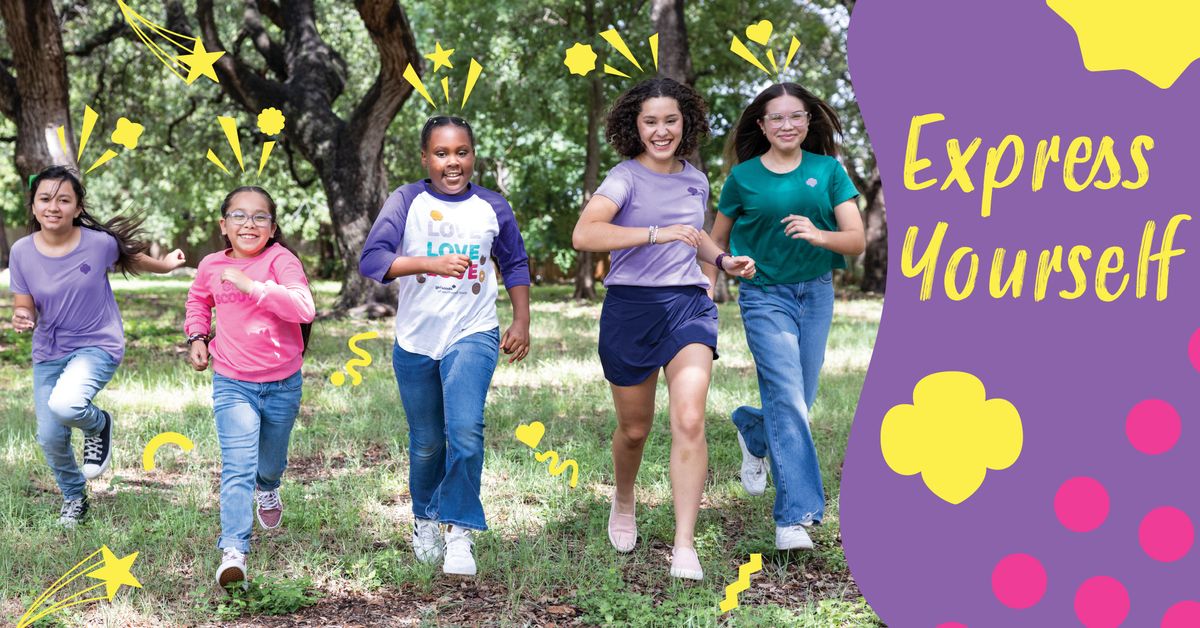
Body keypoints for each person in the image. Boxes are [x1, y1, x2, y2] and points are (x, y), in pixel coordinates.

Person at [571, 78, 755, 581]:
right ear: (635, 125)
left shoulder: (696, 179)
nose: (661, 130)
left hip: (687, 305)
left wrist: (722, 258)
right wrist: (654, 234)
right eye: (650, 121)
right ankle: (624, 497)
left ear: (685, 122)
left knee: (690, 419)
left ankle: (684, 546)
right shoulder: (624, 178)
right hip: (631, 308)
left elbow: (692, 237)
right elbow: (585, 234)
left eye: (670, 120)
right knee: (635, 429)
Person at [359, 115, 531, 577]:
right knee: (428, 444)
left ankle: (459, 532)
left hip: (473, 331)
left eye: (461, 152)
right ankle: (425, 520)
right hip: (416, 337)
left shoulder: (492, 205)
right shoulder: (407, 200)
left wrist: (522, 320)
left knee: (466, 431)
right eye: (441, 153)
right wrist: (429, 264)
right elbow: (372, 260)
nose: (452, 162)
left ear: (473, 155)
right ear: (425, 158)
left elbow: (514, 263)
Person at [710, 82, 865, 551]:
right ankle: (794, 517)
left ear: (808, 122)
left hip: (816, 293)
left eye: (796, 116)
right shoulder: (743, 178)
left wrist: (819, 236)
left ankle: (752, 429)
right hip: (763, 294)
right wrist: (723, 268)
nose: (787, 125)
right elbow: (713, 241)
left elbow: (856, 240)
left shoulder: (829, 170)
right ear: (761, 125)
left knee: (800, 396)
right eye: (776, 118)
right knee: (789, 398)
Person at [9, 166, 186, 527]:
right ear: (33, 205)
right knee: (49, 436)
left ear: (77, 207)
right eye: (45, 199)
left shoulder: (98, 242)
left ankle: (98, 423)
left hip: (97, 342)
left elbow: (133, 258)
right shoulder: (22, 252)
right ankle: (75, 497)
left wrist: (166, 266)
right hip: (49, 349)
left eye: (63, 200)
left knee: (67, 404)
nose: (53, 206)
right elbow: (22, 301)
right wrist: (23, 316)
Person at [184, 186, 316, 587]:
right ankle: (234, 550)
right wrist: (197, 337)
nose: (249, 223)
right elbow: (198, 300)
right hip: (232, 381)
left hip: (282, 383)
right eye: (239, 216)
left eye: (260, 217)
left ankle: (270, 487)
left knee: (269, 464)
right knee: (237, 466)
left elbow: (304, 307)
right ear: (224, 225)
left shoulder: (281, 260)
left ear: (272, 228)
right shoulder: (209, 264)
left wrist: (252, 286)